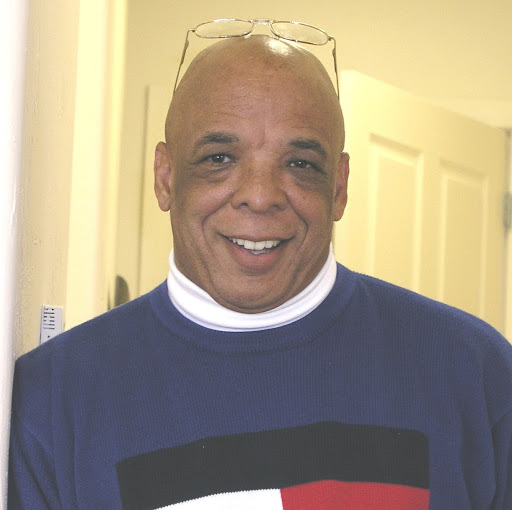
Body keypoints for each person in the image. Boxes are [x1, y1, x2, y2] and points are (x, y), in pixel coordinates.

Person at [8, 21, 512, 510]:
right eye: (219, 158)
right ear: (165, 178)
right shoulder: (53, 398)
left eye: (300, 164)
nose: (260, 195)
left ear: (339, 187)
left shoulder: (473, 371)